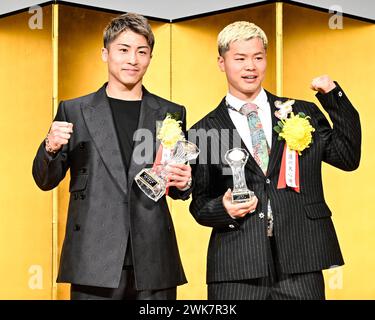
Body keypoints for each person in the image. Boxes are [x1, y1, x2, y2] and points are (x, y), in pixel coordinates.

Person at [188, 21, 361, 300]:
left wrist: (334, 97)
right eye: (240, 58)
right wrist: (224, 208)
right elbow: (199, 203)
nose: (250, 67)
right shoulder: (204, 130)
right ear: (221, 62)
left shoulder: (300, 112)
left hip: (301, 259)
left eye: (258, 57)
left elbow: (348, 157)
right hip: (236, 265)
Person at [32, 13, 192, 300]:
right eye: (124, 50)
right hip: (93, 258)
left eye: (142, 52)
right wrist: (49, 147)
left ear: (150, 57)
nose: (133, 59)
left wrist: (184, 182)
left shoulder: (171, 112)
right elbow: (45, 180)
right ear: (105, 53)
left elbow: (180, 187)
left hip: (154, 259)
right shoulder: (75, 111)